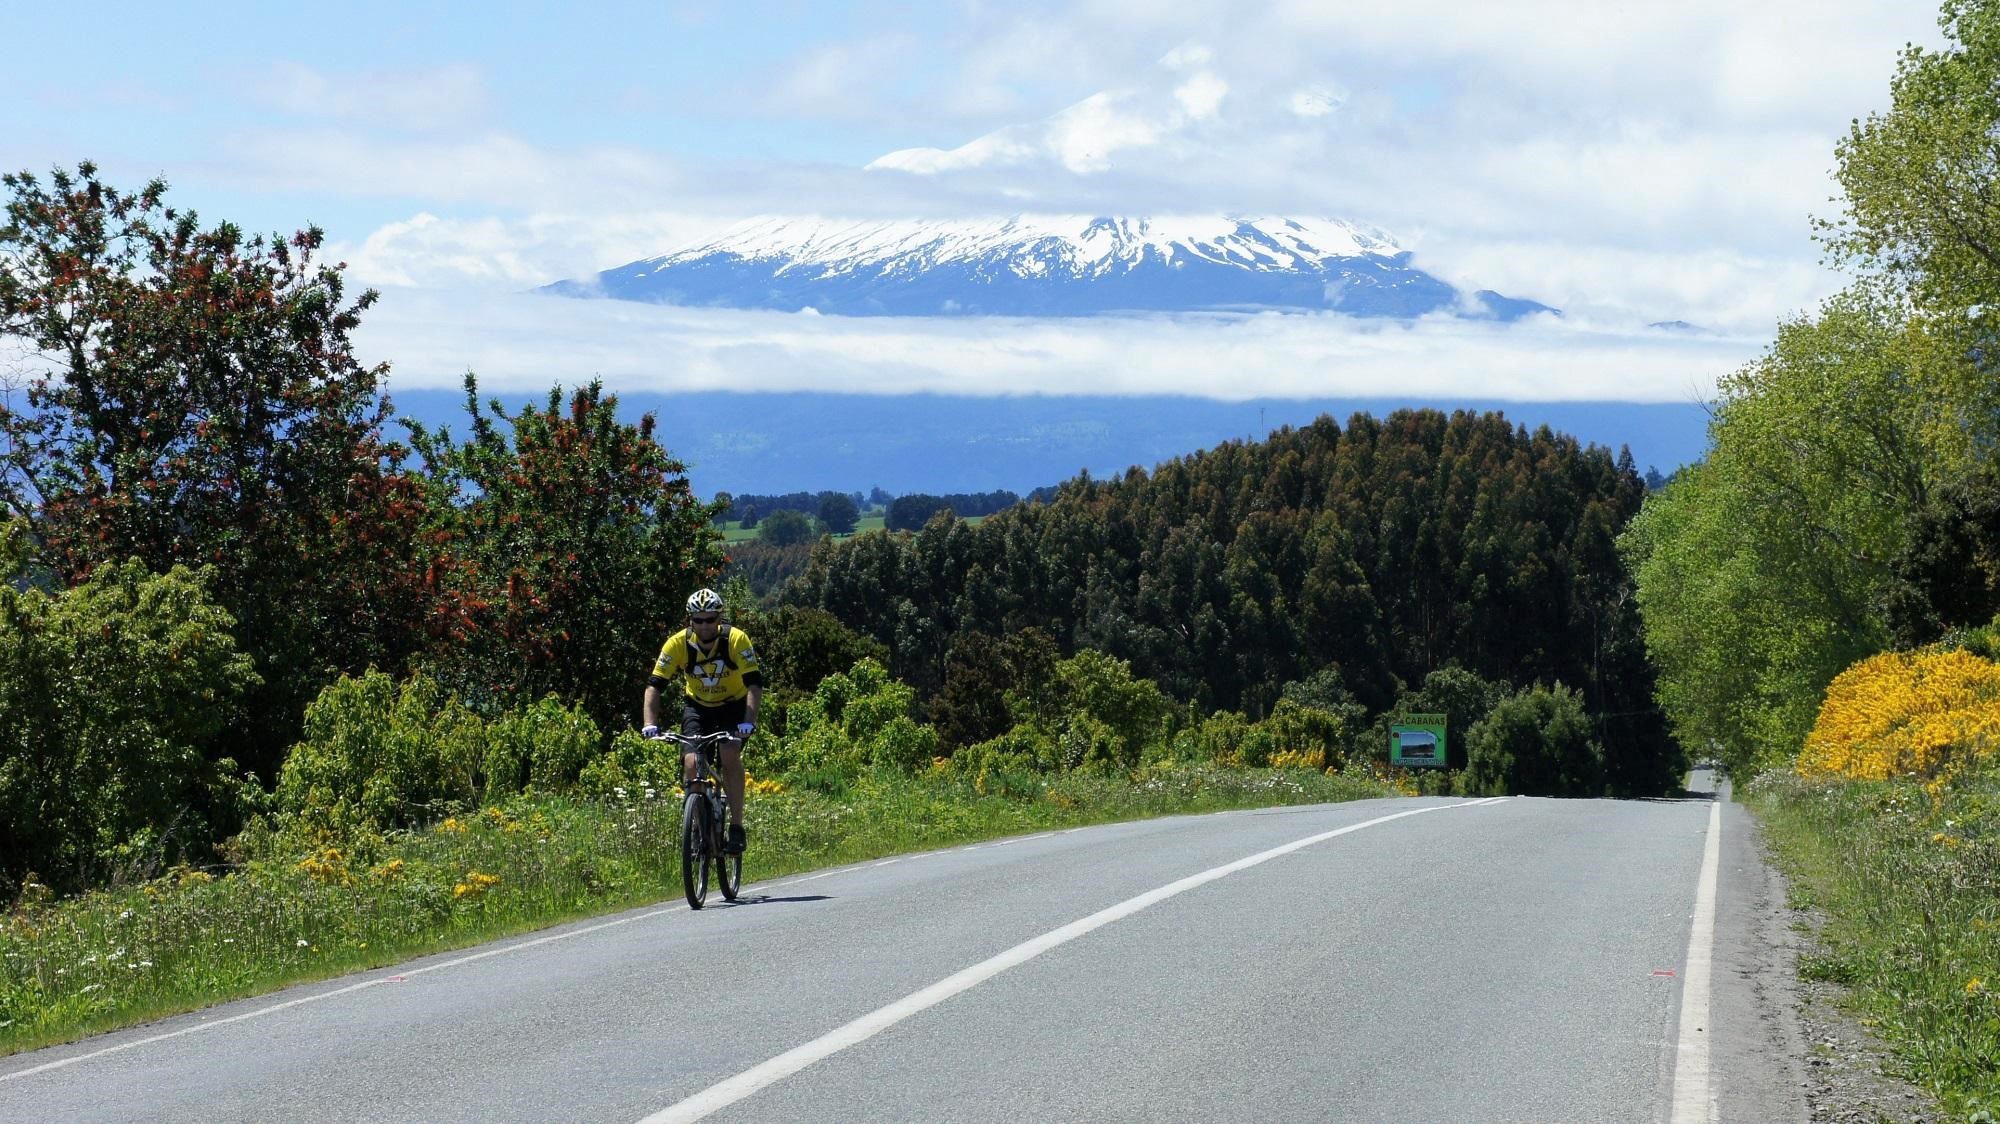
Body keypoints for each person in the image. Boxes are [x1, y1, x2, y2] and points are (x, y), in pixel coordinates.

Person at [641, 589, 762, 853]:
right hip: (697, 707)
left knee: (729, 753)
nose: (705, 626)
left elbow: (754, 684)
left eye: (710, 619)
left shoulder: (736, 640)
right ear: (690, 620)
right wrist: (649, 723)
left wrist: (748, 721)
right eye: (699, 620)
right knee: (692, 764)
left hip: (733, 707)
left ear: (719, 618)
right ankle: (698, 829)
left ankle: (737, 827)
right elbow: (654, 686)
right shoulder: (677, 644)